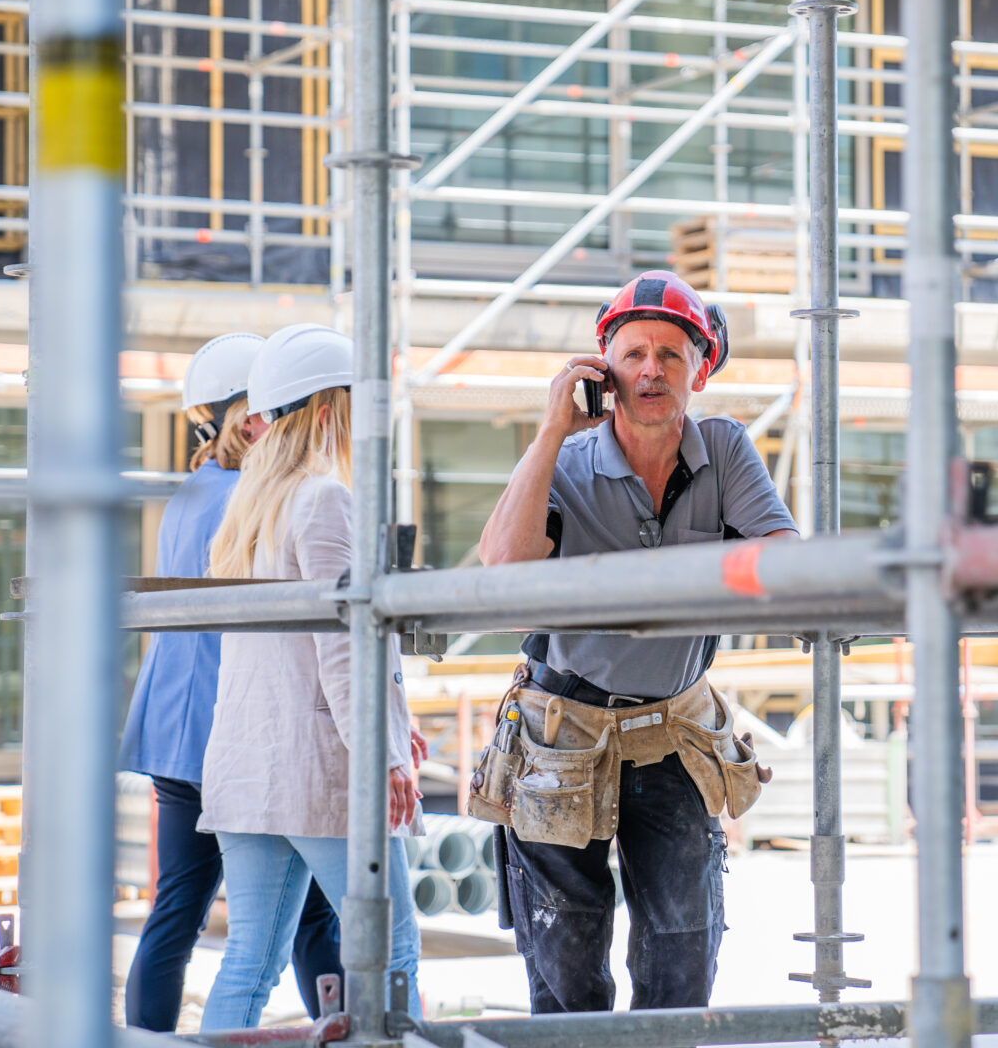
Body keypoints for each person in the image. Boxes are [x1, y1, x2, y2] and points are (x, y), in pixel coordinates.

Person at [477, 270, 797, 1013]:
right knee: (568, 957)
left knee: (682, 949)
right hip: (563, 731)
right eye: (632, 354)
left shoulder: (723, 448)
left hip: (671, 731)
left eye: (671, 353)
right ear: (603, 371)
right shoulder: (568, 458)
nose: (650, 369)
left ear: (701, 369)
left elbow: (784, 558)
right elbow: (501, 563)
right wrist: (552, 428)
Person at [198, 322, 423, 1031]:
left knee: (250, 964)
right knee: (392, 956)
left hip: (249, 768)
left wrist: (399, 729)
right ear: (328, 412)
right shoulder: (325, 499)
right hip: (321, 775)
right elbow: (344, 652)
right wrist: (385, 757)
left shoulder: (248, 509)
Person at [119, 332, 345, 1032]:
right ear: (248, 420)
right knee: (314, 919)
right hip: (242, 743)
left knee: (177, 913)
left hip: (172, 737)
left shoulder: (193, 492)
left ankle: (144, 1043)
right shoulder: (259, 497)